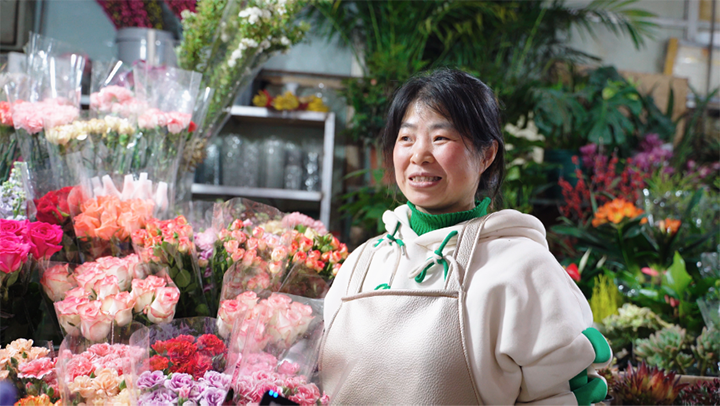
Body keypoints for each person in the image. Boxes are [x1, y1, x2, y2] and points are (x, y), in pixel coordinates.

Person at [319, 68, 611, 405]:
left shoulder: (523, 268)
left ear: (487, 155)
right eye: (407, 138)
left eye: (440, 138)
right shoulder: (363, 262)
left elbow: (562, 394)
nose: (419, 155)